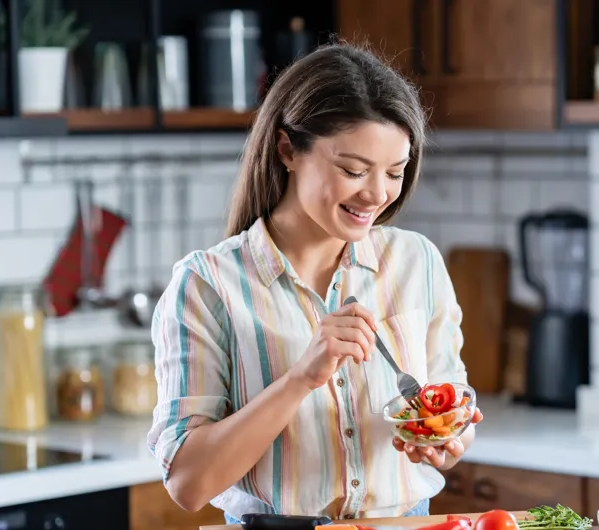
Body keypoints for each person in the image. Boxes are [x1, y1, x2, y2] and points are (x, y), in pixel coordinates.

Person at [146, 42, 483, 524]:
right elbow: (187, 483)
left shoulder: (418, 262)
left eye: (395, 172)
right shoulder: (208, 285)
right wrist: (302, 377)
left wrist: (446, 440)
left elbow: (451, 405)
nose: (377, 194)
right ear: (288, 150)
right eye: (353, 170)